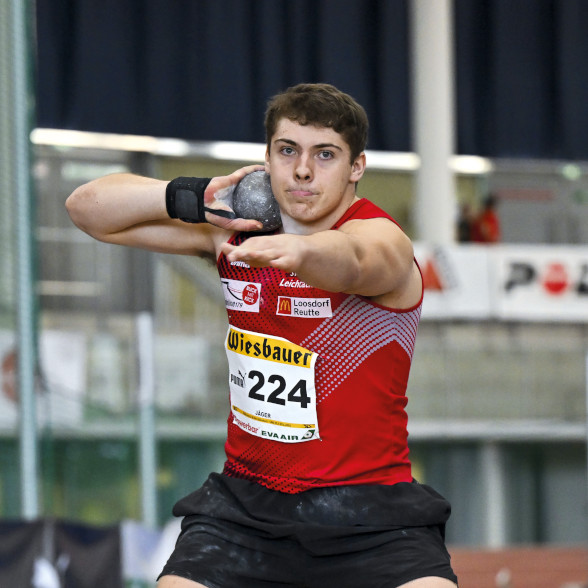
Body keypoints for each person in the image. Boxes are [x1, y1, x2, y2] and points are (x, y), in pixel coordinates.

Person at [66, 83, 458, 588]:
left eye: (325, 155)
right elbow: (86, 208)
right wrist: (194, 197)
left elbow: (358, 261)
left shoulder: (381, 236)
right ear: (267, 158)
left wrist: (300, 252)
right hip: (246, 511)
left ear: (356, 167)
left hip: (372, 515)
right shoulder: (235, 231)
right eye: (288, 150)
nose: (303, 170)